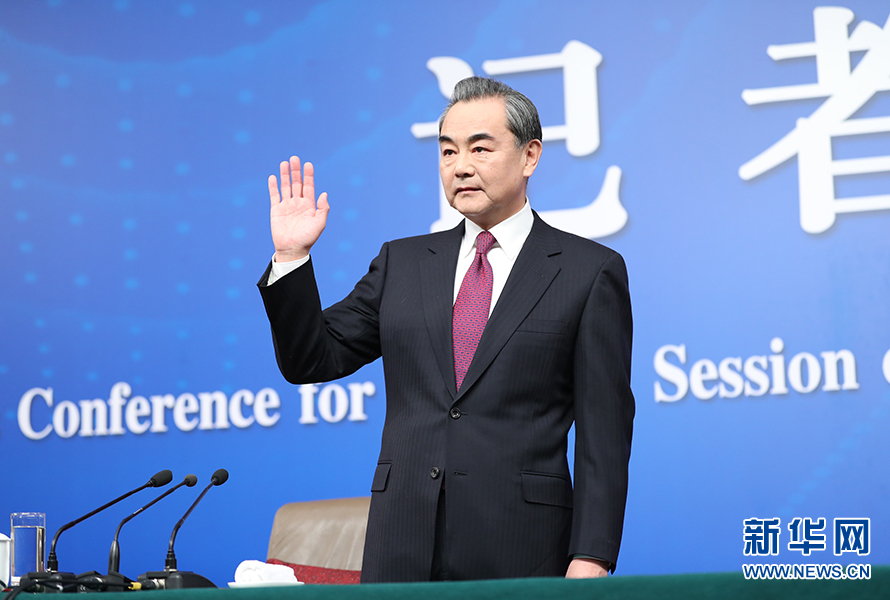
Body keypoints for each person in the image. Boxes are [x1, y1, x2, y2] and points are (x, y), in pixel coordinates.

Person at [258, 77, 634, 583]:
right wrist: (291, 257)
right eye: (448, 151)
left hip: (523, 546)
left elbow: (604, 431)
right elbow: (311, 359)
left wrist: (592, 555)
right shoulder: (402, 263)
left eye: (480, 148)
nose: (460, 166)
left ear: (530, 156)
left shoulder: (587, 271)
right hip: (402, 548)